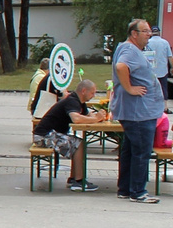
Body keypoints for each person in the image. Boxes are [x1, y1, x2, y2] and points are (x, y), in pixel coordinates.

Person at [111, 18, 163, 203]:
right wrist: (130, 88)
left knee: (131, 150)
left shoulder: (129, 49)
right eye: (146, 31)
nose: (150, 35)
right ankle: (138, 192)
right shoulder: (129, 49)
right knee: (141, 150)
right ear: (134, 34)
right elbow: (120, 66)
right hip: (138, 113)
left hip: (138, 111)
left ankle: (125, 189)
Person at [33, 78, 105, 192]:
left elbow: (88, 115)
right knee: (79, 144)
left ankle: (74, 178)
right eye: (92, 93)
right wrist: (96, 118)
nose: (94, 95)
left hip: (52, 134)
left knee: (78, 142)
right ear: (84, 91)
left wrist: (98, 116)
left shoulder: (79, 102)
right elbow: (76, 119)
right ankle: (78, 181)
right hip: (43, 136)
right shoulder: (72, 101)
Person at [147, 26, 172, 103]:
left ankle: (151, 105)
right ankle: (165, 107)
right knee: (163, 88)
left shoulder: (147, 42)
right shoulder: (165, 42)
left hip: (151, 71)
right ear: (159, 33)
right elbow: (170, 56)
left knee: (151, 88)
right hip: (163, 70)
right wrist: (172, 67)